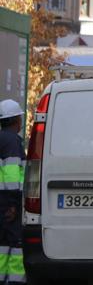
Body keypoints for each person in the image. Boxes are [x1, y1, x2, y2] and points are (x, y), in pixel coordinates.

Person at [0, 99, 26, 284]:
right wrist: (13, 205)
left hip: (2, 201)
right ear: (16, 120)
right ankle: (15, 280)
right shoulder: (12, 142)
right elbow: (12, 178)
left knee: (1, 245)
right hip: (8, 203)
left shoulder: (2, 139)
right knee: (15, 244)